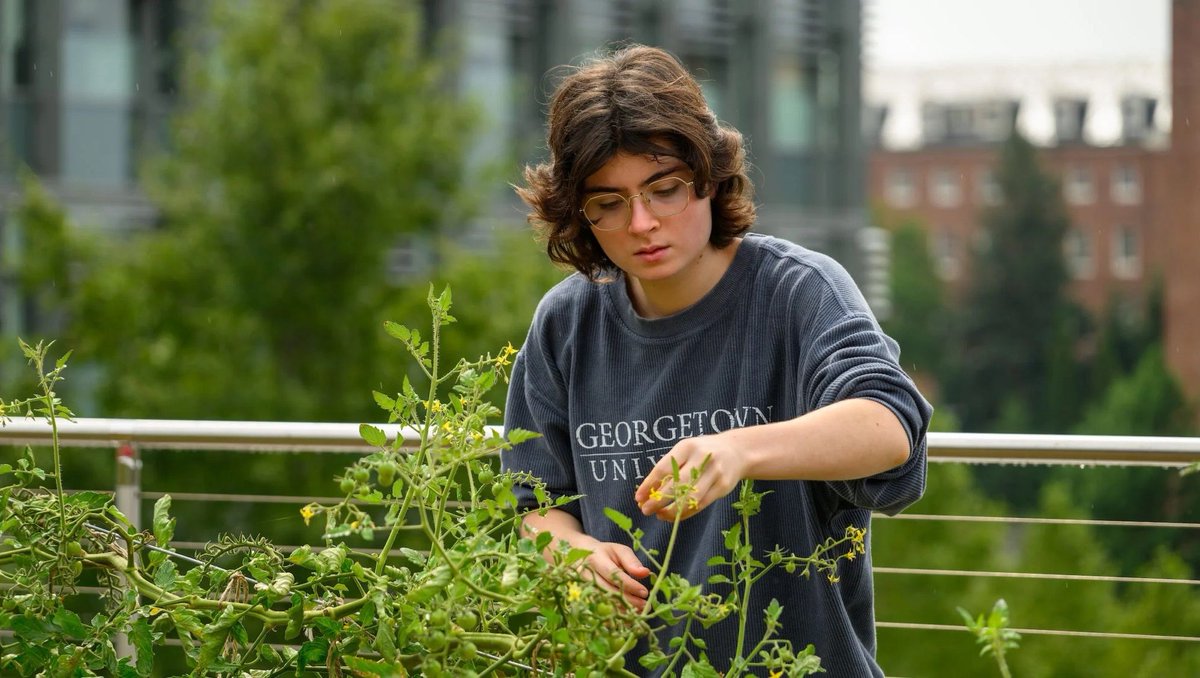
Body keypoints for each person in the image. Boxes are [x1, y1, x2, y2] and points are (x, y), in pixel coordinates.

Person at [502, 44, 931, 677]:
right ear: (580, 213)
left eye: (664, 190)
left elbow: (889, 426)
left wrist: (736, 451)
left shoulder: (799, 290)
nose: (642, 222)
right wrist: (572, 555)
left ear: (709, 177)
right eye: (609, 203)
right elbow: (536, 506)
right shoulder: (567, 322)